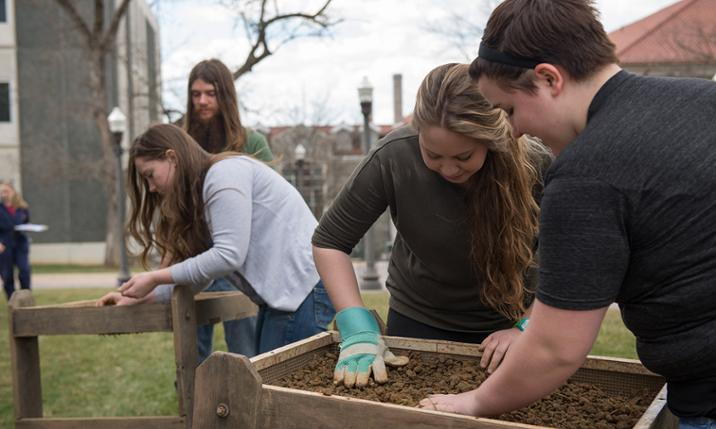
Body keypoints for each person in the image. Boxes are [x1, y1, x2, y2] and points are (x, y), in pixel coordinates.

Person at [418, 1, 716, 426]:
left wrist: (475, 403)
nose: (515, 131)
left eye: (509, 110)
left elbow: (555, 348)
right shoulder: (703, 99)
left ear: (548, 78)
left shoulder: (586, 175)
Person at [312, 63, 552, 388]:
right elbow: (330, 240)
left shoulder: (537, 164)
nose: (449, 169)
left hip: (509, 323)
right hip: (417, 319)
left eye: (464, 156)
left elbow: (569, 259)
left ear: (492, 140)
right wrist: (356, 324)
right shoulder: (394, 156)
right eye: (433, 154)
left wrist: (528, 327)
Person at [97, 124, 335, 356]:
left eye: (150, 175)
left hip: (303, 289)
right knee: (269, 388)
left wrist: (154, 277)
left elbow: (229, 255)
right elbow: (202, 275)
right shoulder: (206, 189)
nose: (150, 188)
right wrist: (142, 297)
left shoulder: (223, 175)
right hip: (290, 294)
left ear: (172, 157)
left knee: (278, 392)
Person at [183, 58, 274, 361]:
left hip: (242, 265)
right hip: (195, 261)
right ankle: (194, 407)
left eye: (210, 93)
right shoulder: (181, 144)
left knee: (246, 355)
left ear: (225, 96)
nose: (202, 101)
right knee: (190, 353)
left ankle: (247, 406)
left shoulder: (251, 143)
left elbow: (270, 208)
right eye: (196, 94)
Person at [0, 182, 32, 300]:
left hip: (20, 243)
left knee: (24, 270)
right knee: (7, 275)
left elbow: (27, 223)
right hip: (4, 244)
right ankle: (12, 301)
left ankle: (26, 298)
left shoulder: (22, 208)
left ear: (13, 192)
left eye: (6, 191)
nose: (4, 194)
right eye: (1, 192)